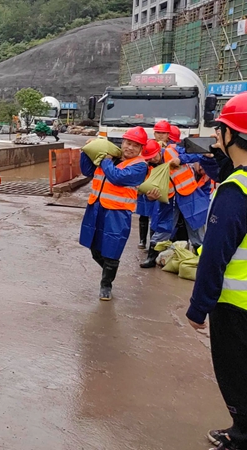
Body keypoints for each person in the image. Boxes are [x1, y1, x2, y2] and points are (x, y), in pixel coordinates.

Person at [185, 92, 247, 450]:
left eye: (220, 130)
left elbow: (214, 256)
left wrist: (199, 307)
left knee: (236, 374)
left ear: (230, 135)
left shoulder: (235, 191)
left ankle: (240, 437)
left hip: (236, 307)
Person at [79, 127, 149, 300]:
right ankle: (108, 272)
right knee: (94, 247)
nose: (130, 148)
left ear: (141, 149)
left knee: (112, 249)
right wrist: (85, 152)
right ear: (122, 142)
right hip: (97, 207)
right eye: (128, 143)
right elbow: (87, 171)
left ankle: (106, 284)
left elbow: (116, 177)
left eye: (135, 145)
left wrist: (104, 160)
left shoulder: (139, 166)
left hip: (118, 213)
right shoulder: (111, 156)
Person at [141, 126, 210, 268]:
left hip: (188, 195)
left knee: (195, 228)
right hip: (168, 200)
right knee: (163, 228)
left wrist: (181, 159)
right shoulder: (148, 166)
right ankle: (151, 257)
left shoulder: (173, 150)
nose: (153, 159)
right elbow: (145, 186)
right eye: (149, 158)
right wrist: (150, 197)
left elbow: (198, 154)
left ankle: (202, 260)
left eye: (154, 156)